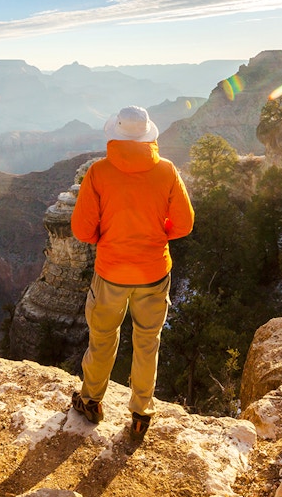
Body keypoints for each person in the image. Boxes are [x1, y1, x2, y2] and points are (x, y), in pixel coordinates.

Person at [69, 105, 194, 440]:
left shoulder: (99, 172)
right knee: (147, 342)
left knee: (103, 338)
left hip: (111, 273)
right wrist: (155, 234)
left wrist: (107, 239)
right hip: (154, 273)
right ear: (148, 134)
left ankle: (91, 401)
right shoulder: (167, 171)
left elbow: (82, 230)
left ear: (117, 133)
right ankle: (141, 413)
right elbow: (183, 224)